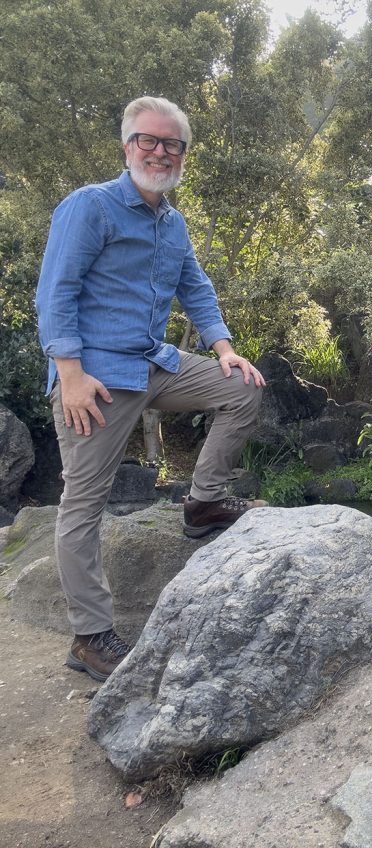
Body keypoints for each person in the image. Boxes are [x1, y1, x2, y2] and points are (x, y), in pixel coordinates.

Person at [36, 96, 266, 682]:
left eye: (172, 144)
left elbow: (196, 287)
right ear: (127, 145)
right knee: (83, 505)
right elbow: (55, 293)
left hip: (152, 362)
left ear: (183, 154)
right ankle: (89, 637)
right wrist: (69, 377)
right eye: (149, 140)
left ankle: (204, 501)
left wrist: (224, 349)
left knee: (240, 389)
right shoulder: (91, 207)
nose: (160, 152)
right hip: (95, 378)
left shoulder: (172, 221)